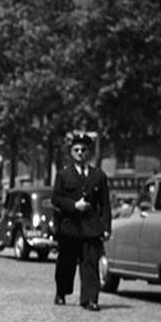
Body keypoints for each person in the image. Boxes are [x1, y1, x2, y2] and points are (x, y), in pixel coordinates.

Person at [51, 132, 112, 311]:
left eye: (83, 150)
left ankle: (90, 299)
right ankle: (61, 293)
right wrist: (73, 205)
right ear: (71, 152)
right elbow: (56, 198)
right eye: (76, 149)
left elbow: (105, 205)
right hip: (70, 227)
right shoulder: (63, 175)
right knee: (66, 264)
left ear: (89, 153)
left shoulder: (99, 176)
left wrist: (106, 228)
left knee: (90, 263)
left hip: (90, 228)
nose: (80, 153)